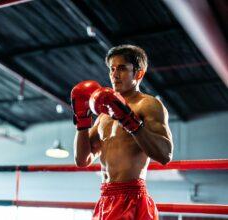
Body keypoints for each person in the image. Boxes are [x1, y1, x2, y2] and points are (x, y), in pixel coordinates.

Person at [71, 45, 173, 220]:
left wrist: (130, 121)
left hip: (132, 198)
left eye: (122, 68)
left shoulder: (148, 105)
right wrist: (82, 121)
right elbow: (82, 160)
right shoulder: (104, 112)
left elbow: (165, 154)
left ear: (139, 74)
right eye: (112, 69)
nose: (115, 74)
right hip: (105, 198)